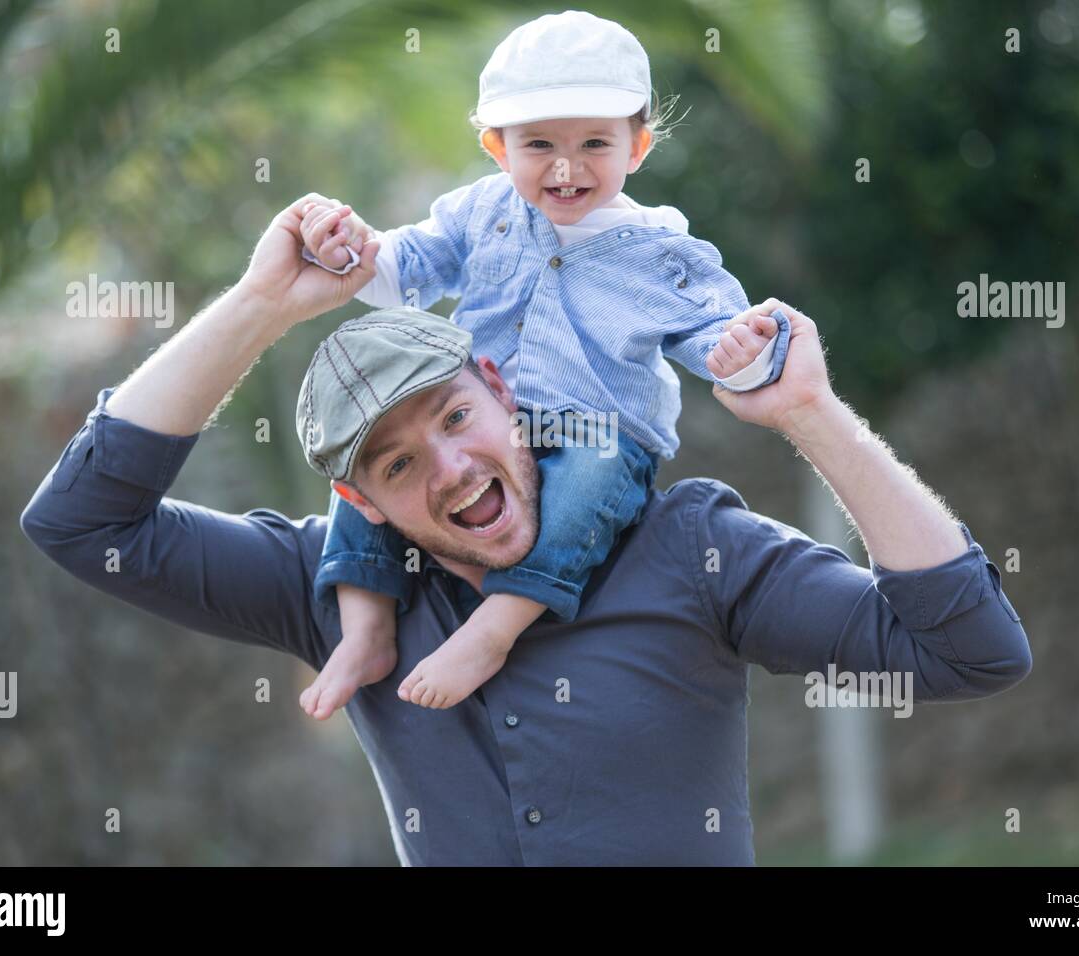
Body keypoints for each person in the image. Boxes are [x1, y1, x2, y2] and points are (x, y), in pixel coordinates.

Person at [20, 192, 1032, 866]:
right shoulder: (333, 590)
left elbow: (970, 649)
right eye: (398, 462)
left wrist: (813, 416)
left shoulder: (688, 546)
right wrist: (257, 305)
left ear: (501, 391)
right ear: (362, 502)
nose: (452, 467)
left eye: (455, 417)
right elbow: (80, 520)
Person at [295, 10, 790, 715]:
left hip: (597, 429)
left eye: (595, 142)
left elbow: (718, 338)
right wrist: (349, 250)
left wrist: (740, 355)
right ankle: (365, 628)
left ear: (638, 146)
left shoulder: (658, 252)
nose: (566, 167)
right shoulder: (481, 213)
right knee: (373, 470)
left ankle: (496, 627)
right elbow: (405, 270)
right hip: (476, 419)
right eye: (538, 145)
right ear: (497, 148)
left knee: (588, 481)